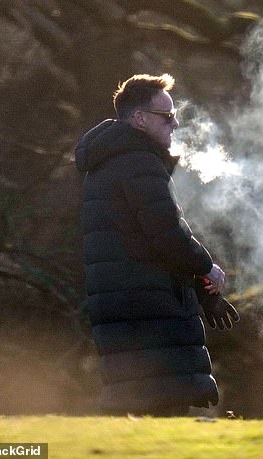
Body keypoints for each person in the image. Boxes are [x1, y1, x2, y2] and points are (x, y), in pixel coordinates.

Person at [75, 73, 239, 416]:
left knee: (139, 414)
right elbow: (166, 234)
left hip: (126, 305)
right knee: (166, 411)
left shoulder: (107, 162)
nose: (175, 123)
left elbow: (148, 242)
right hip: (151, 310)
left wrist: (199, 288)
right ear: (139, 119)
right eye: (166, 116)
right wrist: (206, 268)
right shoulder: (139, 161)